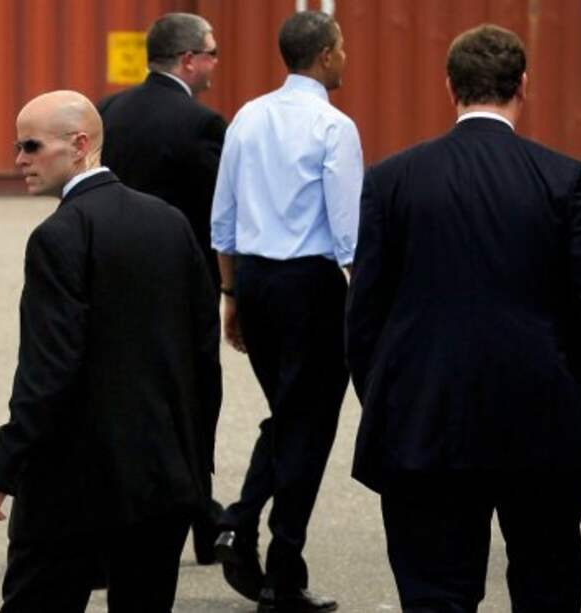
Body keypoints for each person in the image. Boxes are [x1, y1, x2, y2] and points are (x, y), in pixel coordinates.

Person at [346, 24, 581, 613]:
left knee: (436, 591)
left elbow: (364, 316)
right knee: (547, 581)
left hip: (427, 417)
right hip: (544, 420)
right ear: (524, 86)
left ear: (449, 86)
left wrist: (388, 398)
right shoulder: (564, 179)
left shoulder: (393, 180)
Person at [0, 90, 222, 612]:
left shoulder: (59, 236)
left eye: (31, 146)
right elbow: (203, 355)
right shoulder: (170, 222)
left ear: (80, 145)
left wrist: (0, 472)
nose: (19, 160)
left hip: (72, 488)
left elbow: (47, 372)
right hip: (163, 478)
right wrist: (196, 464)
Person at [210, 10, 362, 613]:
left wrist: (230, 295)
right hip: (313, 287)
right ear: (324, 56)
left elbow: (222, 216)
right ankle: (267, 555)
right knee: (310, 425)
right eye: (342, 48)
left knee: (288, 417)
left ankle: (258, 546)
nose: (346, 57)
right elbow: (348, 236)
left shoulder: (247, 116)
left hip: (256, 283)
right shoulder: (334, 126)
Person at [96, 10, 227, 564]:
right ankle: (199, 519)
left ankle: (105, 529)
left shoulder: (108, 111)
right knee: (194, 400)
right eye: (213, 52)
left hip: (105, 279)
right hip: (178, 288)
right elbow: (218, 212)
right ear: (189, 59)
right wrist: (228, 287)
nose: (217, 62)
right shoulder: (201, 124)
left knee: (113, 401)